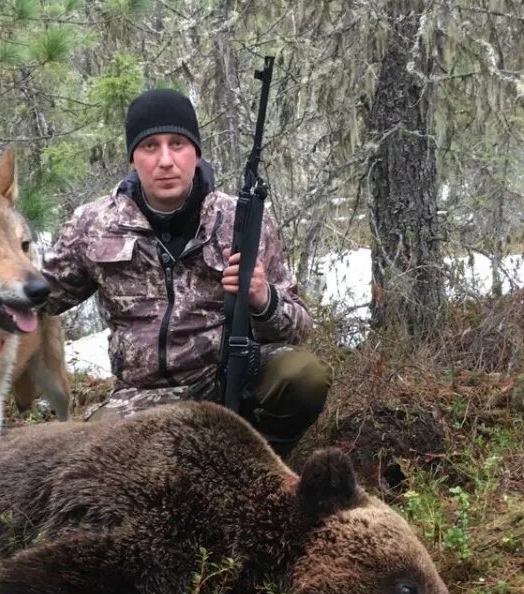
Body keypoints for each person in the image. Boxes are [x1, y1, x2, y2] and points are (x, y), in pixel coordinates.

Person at [41, 88, 329, 457]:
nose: (165, 160)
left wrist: (262, 298)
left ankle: (263, 463)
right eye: (150, 147)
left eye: (177, 144)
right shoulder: (95, 224)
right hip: (141, 399)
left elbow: (299, 327)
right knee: (87, 465)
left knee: (304, 375)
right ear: (133, 158)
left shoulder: (239, 221)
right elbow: (37, 297)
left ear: (196, 152)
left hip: (228, 382)